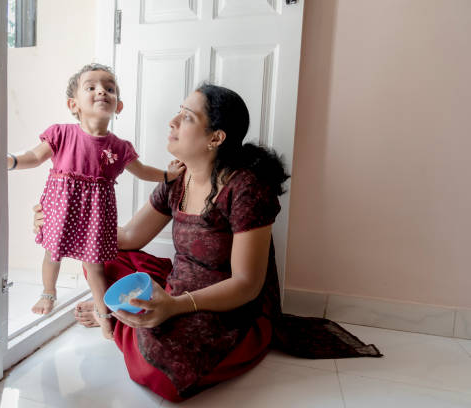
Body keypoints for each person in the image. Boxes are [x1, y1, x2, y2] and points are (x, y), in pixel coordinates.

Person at [33, 83, 382, 402]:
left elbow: (247, 285)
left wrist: (173, 306)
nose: (172, 122)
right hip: (178, 280)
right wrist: (60, 223)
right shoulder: (175, 180)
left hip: (229, 305)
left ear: (215, 137)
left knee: (162, 374)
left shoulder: (246, 188)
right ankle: (124, 316)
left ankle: (117, 318)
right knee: (101, 261)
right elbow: (125, 238)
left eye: (186, 117)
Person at [8, 63, 185, 339]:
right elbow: (34, 157)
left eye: (109, 88)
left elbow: (142, 171)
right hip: (61, 207)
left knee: (95, 267)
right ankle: (49, 291)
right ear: (73, 104)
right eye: (91, 87)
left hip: (96, 216)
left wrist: (167, 174)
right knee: (52, 253)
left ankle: (104, 316)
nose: (102, 91)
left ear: (119, 105)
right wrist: (13, 161)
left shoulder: (119, 147)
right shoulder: (61, 134)